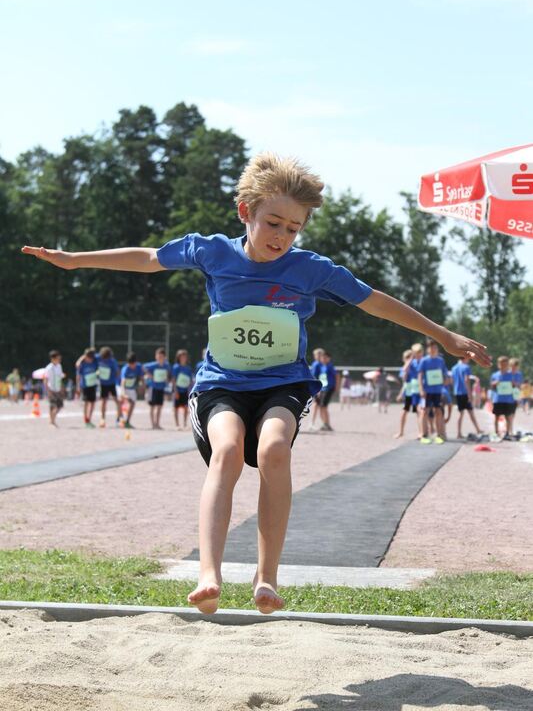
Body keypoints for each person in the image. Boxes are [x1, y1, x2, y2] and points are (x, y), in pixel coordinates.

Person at [21, 151, 490, 616]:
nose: (283, 237)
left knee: (273, 450)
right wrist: (73, 260)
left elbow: (374, 302)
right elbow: (148, 258)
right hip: (223, 383)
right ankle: (209, 574)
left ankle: (267, 577)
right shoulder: (213, 252)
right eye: (274, 223)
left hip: (282, 383)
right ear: (246, 212)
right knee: (227, 451)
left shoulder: (311, 270)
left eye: (294, 228)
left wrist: (442, 335)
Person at [418, 339, 450, 444]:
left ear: (437, 348)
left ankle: (439, 435)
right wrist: (421, 389)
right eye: (430, 347)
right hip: (427, 391)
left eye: (434, 347)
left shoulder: (441, 360)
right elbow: (420, 375)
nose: (432, 349)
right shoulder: (424, 361)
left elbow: (445, 374)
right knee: (424, 412)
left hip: (438, 391)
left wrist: (446, 379)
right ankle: (424, 435)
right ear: (427, 349)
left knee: (439, 411)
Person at [451, 356, 482, 439]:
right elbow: (466, 380)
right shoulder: (466, 367)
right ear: (466, 358)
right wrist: (469, 394)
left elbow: (452, 380)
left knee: (460, 413)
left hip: (457, 392)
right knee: (471, 412)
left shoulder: (454, 368)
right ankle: (478, 429)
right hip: (465, 392)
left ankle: (459, 433)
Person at [143, 348, 172, 430]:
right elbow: (143, 367)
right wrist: (149, 375)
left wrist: (166, 379)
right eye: (159, 357)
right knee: (152, 406)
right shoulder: (153, 365)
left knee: (159, 406)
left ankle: (157, 424)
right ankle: (153, 424)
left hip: (161, 388)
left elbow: (168, 374)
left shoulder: (167, 366)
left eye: (162, 357)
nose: (160, 358)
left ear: (164, 357)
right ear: (156, 357)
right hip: (153, 388)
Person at [491, 355, 517, 440]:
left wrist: (513, 384)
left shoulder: (511, 375)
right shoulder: (495, 375)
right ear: (499, 364)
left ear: (507, 365)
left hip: (508, 399)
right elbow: (492, 385)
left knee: (508, 417)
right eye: (502, 364)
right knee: (496, 417)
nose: (503, 366)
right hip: (498, 399)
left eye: (505, 364)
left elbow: (515, 386)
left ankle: (507, 433)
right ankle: (496, 432)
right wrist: (495, 383)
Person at [95, 346, 121, 427]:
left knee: (117, 401)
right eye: (104, 358)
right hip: (103, 384)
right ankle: (102, 419)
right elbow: (89, 356)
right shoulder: (98, 357)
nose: (105, 360)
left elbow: (118, 372)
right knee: (103, 401)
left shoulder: (112, 361)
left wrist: (113, 377)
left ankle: (118, 419)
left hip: (112, 383)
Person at [120, 352, 144, 428]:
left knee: (132, 403)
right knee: (121, 402)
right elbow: (123, 382)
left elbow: (141, 378)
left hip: (131, 388)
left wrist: (141, 384)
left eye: (133, 364)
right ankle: (120, 420)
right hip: (123, 387)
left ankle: (127, 421)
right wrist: (123, 393)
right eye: (130, 364)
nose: (132, 366)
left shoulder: (138, 366)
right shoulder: (125, 369)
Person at [76, 348, 98, 428]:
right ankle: (86, 419)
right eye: (89, 358)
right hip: (85, 386)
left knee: (92, 402)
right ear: (85, 357)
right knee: (86, 402)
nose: (90, 360)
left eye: (91, 358)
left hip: (93, 385)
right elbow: (78, 376)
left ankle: (89, 419)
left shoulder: (95, 361)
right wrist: (78, 387)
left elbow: (100, 356)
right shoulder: (82, 364)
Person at [172, 348, 193, 429]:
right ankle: (177, 425)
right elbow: (173, 379)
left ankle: (184, 424)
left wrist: (189, 390)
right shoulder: (176, 367)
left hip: (185, 390)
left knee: (185, 407)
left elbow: (190, 380)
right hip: (177, 390)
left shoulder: (188, 368)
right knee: (176, 408)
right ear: (178, 357)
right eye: (181, 356)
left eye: (184, 356)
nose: (183, 358)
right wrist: (175, 391)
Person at [43, 350, 65, 426]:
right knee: (53, 405)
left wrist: (62, 387)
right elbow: (45, 379)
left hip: (58, 389)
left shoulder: (59, 366)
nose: (59, 360)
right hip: (51, 389)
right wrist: (47, 390)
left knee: (60, 406)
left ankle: (52, 419)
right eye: (58, 358)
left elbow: (60, 378)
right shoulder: (49, 368)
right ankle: (52, 421)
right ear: (53, 359)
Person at [317, 350, 337, 431]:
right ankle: (324, 423)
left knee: (324, 406)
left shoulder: (330, 366)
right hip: (323, 388)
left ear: (329, 358)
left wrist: (336, 387)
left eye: (325, 358)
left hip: (329, 388)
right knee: (321, 406)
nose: (323, 359)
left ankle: (327, 424)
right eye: (322, 357)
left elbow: (337, 376)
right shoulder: (322, 366)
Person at [308, 347, 325, 430]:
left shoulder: (320, 364)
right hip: (317, 387)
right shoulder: (317, 364)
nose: (317, 356)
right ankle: (312, 423)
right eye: (316, 355)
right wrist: (318, 389)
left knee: (318, 405)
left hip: (319, 387)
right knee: (315, 405)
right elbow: (314, 377)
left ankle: (317, 423)